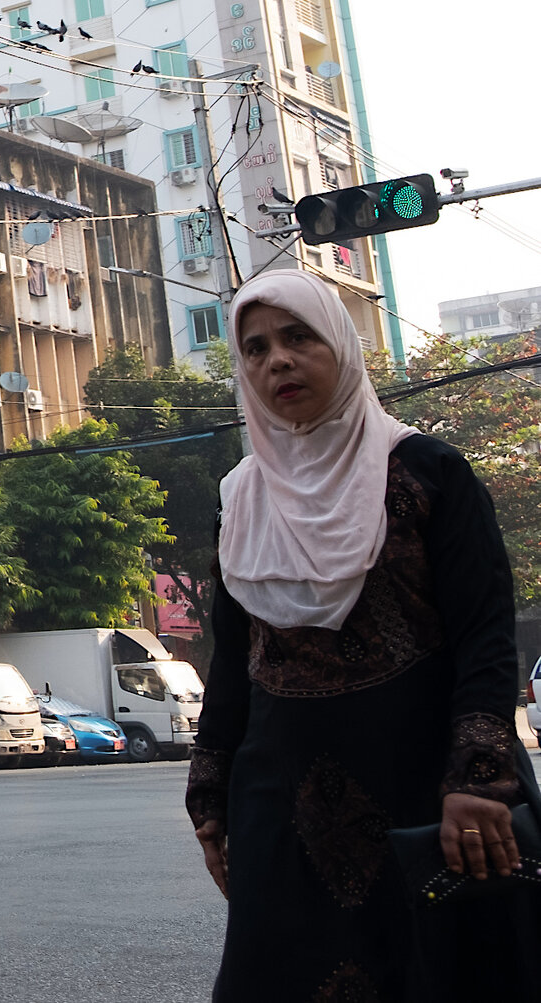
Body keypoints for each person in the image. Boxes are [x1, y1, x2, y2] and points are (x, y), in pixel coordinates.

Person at [188, 272, 541, 999]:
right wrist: (211, 801)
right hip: (284, 811)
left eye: (298, 337)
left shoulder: (427, 471)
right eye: (254, 348)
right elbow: (234, 663)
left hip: (430, 794)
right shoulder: (240, 501)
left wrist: (476, 782)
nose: (276, 361)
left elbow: (484, 634)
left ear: (341, 347)